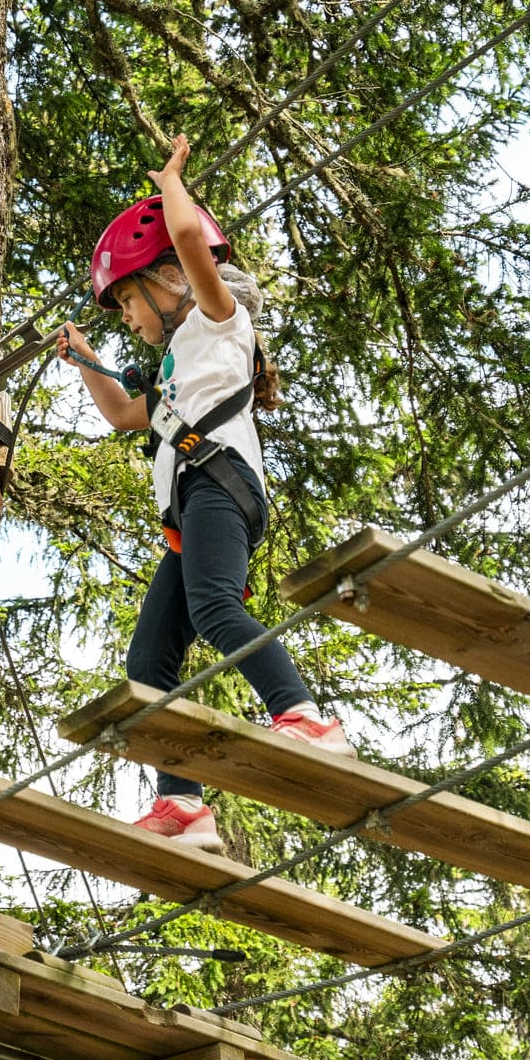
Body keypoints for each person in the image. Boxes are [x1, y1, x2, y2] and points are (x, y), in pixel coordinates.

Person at [56, 134, 352, 853]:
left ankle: (307, 718)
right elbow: (124, 414)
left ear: (172, 280)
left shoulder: (220, 322)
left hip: (222, 485)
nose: (127, 316)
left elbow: (189, 235)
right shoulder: (170, 372)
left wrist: (171, 185)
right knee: (148, 660)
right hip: (192, 509)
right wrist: (88, 360)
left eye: (130, 298)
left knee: (217, 606)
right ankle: (182, 803)